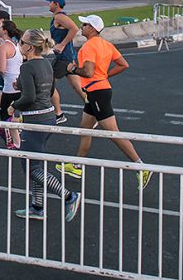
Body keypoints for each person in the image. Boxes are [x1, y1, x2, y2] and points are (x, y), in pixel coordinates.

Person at [55, 14, 151, 191]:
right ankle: (77, 166)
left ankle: (141, 166)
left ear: (91, 28)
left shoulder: (89, 46)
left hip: (98, 93)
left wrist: (72, 68)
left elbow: (89, 72)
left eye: (84, 24)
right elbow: (123, 64)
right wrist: (106, 75)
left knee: (113, 134)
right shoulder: (106, 45)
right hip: (97, 92)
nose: (81, 27)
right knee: (85, 130)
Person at [8, 28, 81, 221]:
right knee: (37, 165)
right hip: (48, 117)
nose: (19, 45)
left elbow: (29, 97)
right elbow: (48, 92)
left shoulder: (27, 67)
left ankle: (68, 196)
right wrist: (22, 86)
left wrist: (13, 106)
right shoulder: (47, 64)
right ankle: (37, 207)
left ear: (30, 47)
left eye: (22, 42)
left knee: (31, 168)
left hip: (34, 120)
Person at [43, 0, 87, 124]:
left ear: (56, 4)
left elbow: (74, 28)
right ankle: (94, 110)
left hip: (64, 58)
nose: (48, 4)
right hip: (67, 57)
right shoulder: (58, 18)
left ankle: (58, 114)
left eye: (50, 2)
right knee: (78, 87)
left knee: (47, 84)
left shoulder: (60, 17)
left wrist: (62, 45)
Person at [0, 19, 23, 150]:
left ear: (5, 30)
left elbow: (2, 69)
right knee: (12, 114)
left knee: (6, 116)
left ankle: (12, 140)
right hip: (19, 84)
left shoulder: (3, 46)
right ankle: (17, 142)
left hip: (9, 86)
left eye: (0, 27)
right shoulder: (17, 45)